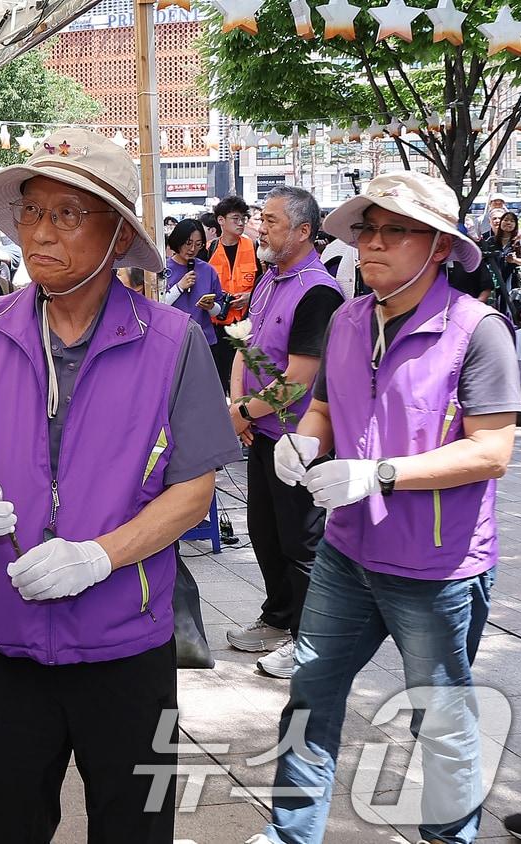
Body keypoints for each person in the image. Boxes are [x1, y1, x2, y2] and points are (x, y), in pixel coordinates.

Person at [0, 128, 240, 843]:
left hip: (129, 649)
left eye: (69, 214)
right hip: (5, 643)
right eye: (32, 212)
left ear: (119, 234)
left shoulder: (171, 342)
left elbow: (193, 491)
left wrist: (98, 556)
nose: (41, 232)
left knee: (136, 828)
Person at [247, 171, 520, 844]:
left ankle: (448, 837)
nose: (370, 243)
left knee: (442, 716)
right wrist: (302, 445)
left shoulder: (476, 330)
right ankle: (290, 832)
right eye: (366, 228)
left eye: (392, 229)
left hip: (436, 565)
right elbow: (321, 408)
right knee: (312, 693)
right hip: (347, 552)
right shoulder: (347, 318)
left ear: (438, 247)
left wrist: (383, 474)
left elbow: (492, 451)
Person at [225, 186, 345, 679]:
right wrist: (238, 407)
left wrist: (246, 412)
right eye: (261, 217)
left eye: (271, 220)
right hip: (261, 430)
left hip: (298, 439)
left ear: (302, 231)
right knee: (265, 532)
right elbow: (243, 343)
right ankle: (278, 618)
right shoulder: (270, 280)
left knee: (301, 541)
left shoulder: (317, 290)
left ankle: (308, 637)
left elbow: (300, 378)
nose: (260, 226)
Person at [210, 195, 261, 389]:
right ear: (221, 220)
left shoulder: (253, 246)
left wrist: (250, 297)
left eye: (243, 219)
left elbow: (263, 281)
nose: (241, 223)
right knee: (221, 377)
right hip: (217, 324)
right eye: (235, 219)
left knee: (246, 376)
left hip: (246, 323)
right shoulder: (210, 249)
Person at [162, 219, 224, 375]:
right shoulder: (163, 270)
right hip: (172, 341)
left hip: (203, 341)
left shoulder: (208, 270)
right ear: (178, 240)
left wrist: (210, 307)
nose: (192, 249)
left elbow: (219, 309)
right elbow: (157, 305)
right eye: (188, 243)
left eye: (198, 244)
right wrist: (179, 287)